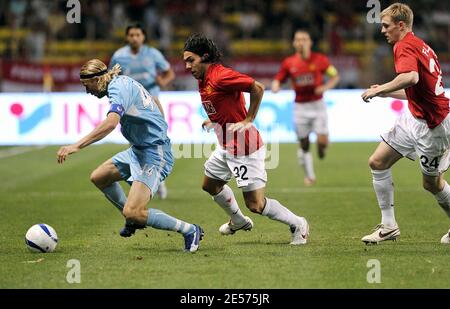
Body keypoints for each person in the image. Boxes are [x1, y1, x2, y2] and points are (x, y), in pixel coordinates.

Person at [56, 59, 203, 252]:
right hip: (138, 150)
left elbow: (110, 123)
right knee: (99, 177)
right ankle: (132, 220)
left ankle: (190, 230)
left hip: (154, 154)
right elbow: (154, 99)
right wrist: (157, 125)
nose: (87, 91)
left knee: (134, 211)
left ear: (97, 79)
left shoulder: (117, 89)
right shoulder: (123, 81)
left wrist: (76, 146)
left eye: (87, 85)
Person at [183, 34, 309, 245]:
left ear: (204, 57)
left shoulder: (221, 76)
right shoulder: (203, 79)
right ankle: (238, 220)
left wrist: (249, 119)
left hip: (245, 148)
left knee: (256, 204)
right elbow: (225, 104)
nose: (187, 66)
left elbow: (257, 87)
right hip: (226, 145)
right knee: (210, 185)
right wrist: (212, 120)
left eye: (190, 60)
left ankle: (299, 224)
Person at [361, 3, 450, 245]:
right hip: (415, 116)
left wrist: (383, 88)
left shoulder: (404, 45)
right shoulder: (421, 46)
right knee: (377, 162)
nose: (383, 30)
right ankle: (389, 226)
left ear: (401, 25)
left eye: (386, 26)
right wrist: (384, 92)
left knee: (432, 184)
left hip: (433, 126)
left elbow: (410, 77)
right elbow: (416, 87)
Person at [110, 23, 175, 199]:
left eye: (137, 34)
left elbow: (170, 72)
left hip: (152, 103)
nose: (134, 38)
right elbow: (111, 78)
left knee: (157, 139)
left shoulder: (153, 54)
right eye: (131, 35)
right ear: (126, 37)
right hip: (131, 106)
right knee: (136, 143)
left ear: (143, 37)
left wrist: (164, 81)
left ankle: (158, 179)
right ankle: (144, 181)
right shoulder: (119, 56)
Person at [271, 29, 340, 186]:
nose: (301, 42)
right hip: (300, 107)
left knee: (321, 143)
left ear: (310, 42)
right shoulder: (289, 63)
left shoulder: (320, 60)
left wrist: (325, 87)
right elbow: (279, 79)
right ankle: (310, 176)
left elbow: (335, 76)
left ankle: (322, 148)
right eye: (298, 39)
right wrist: (275, 86)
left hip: (318, 106)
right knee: (304, 143)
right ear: (294, 43)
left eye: (304, 39)